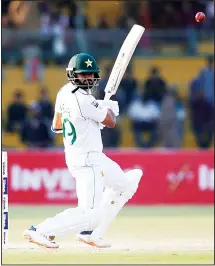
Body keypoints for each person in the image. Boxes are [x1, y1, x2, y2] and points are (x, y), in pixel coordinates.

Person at [23, 53, 143, 248]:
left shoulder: (63, 93)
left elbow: (57, 125)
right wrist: (106, 109)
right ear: (72, 75)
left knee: (125, 185)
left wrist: (92, 116)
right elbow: (111, 121)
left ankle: (92, 234)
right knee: (90, 213)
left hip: (89, 156)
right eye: (82, 75)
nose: (87, 78)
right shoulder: (84, 100)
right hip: (87, 160)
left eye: (90, 74)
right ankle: (40, 230)